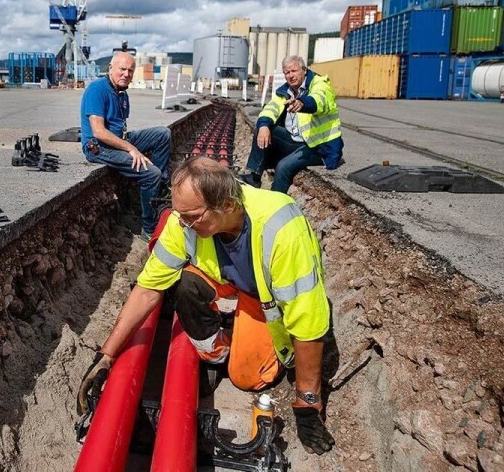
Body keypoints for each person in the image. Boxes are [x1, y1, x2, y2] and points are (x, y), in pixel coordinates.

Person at [76, 156, 336, 455]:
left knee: (248, 379)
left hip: (264, 302)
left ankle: (244, 350)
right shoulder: (185, 220)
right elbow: (148, 288)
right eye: (179, 214)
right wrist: (106, 355)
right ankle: (216, 355)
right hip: (229, 284)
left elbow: (308, 322)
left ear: (226, 205)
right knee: (183, 283)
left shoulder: (281, 229)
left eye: (192, 216)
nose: (182, 222)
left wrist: (307, 402)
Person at [81, 51, 171, 240]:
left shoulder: (122, 94)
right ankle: (148, 227)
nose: (126, 74)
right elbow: (99, 131)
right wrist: (131, 149)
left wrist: (129, 144)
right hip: (98, 147)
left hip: (119, 139)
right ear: (111, 68)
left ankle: (160, 187)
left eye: (130, 71)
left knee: (163, 134)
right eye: (122, 69)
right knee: (150, 172)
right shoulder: (97, 89)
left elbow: (119, 128)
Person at [241, 55, 344, 193]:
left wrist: (303, 103)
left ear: (304, 70)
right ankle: (254, 178)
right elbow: (271, 109)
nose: (290, 76)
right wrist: (264, 125)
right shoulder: (285, 91)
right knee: (262, 127)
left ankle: (276, 204)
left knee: (283, 167)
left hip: (320, 146)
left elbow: (320, 100)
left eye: (294, 71)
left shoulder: (319, 84)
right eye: (287, 73)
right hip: (297, 141)